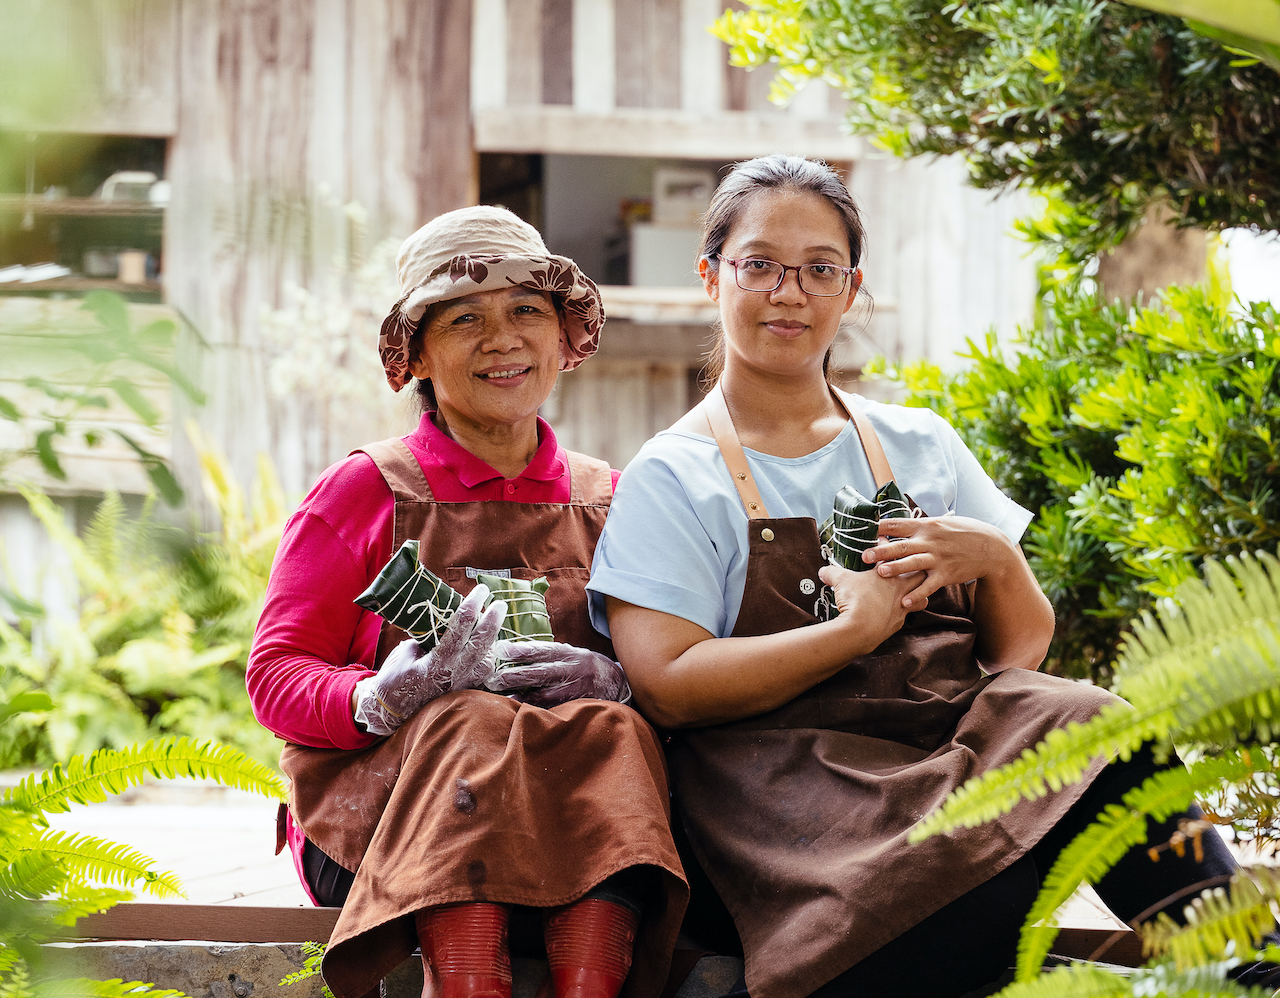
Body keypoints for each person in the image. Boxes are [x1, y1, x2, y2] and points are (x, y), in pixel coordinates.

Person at [586, 155, 1242, 998]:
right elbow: (668, 685)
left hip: (944, 752)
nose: (790, 293)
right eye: (761, 265)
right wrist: (852, 631)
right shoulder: (672, 476)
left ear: (851, 290)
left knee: (1089, 720)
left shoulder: (921, 442)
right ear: (713, 276)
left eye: (820, 270)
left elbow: (1019, 653)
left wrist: (998, 560)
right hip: (785, 809)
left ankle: (1240, 963)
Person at [247, 205, 687, 998]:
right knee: (470, 718)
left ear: (565, 336)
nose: (503, 338)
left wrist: (616, 680)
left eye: (527, 310)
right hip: (381, 842)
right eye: (464, 319)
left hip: (578, 849)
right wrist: (385, 697)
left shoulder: (611, 500)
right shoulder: (363, 491)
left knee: (612, 723)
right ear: (416, 351)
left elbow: (677, 667)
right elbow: (275, 675)